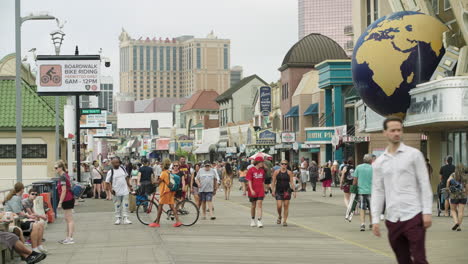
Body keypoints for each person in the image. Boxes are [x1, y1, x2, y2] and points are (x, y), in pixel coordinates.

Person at [371, 116, 433, 264]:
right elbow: (378, 191)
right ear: (385, 132)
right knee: (403, 259)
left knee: (419, 258)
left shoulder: (414, 155)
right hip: (392, 218)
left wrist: (427, 212)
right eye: (392, 130)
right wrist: (375, 219)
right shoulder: (379, 162)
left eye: (399, 130)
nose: (396, 133)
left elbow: (424, 183)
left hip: (414, 214)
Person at [4, 183, 47, 252]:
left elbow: (20, 212)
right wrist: (28, 216)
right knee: (36, 225)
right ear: (22, 190)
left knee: (41, 223)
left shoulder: (16, 197)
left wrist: (29, 216)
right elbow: (17, 212)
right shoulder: (16, 198)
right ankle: (34, 248)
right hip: (15, 222)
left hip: (18, 220)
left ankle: (39, 245)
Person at [150, 158, 182, 227]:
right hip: (170, 191)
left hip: (165, 192)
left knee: (160, 207)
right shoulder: (168, 172)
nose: (160, 165)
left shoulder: (164, 173)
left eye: (162, 164)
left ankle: (157, 222)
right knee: (172, 207)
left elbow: (159, 182)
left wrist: (152, 181)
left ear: (164, 165)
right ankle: (178, 221)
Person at [105, 157, 133, 225]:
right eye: (116, 163)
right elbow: (107, 182)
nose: (118, 164)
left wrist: (129, 185)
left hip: (125, 191)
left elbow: (126, 177)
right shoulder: (110, 172)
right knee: (117, 205)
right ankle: (118, 218)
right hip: (116, 192)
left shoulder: (123, 168)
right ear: (112, 163)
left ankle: (126, 218)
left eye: (118, 162)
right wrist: (111, 190)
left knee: (126, 205)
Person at [55, 160, 76, 245]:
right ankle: (68, 237)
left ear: (60, 168)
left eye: (56, 168)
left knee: (69, 219)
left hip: (66, 199)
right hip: (68, 198)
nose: (55, 169)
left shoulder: (62, 177)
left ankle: (70, 238)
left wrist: (60, 202)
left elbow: (63, 190)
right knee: (68, 219)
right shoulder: (65, 175)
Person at [271, 160, 296, 226]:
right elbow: (273, 182)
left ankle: (284, 221)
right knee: (279, 206)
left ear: (287, 165)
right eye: (282, 164)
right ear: (280, 165)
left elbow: (292, 182)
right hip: (278, 190)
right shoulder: (276, 172)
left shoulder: (289, 172)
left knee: (286, 206)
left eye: (285, 164)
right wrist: (272, 190)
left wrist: (294, 191)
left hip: (287, 191)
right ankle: (279, 216)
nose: (284, 165)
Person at [353, 154, 373, 231]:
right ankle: (371, 223)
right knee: (371, 208)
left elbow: (355, 180)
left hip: (361, 191)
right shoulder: (373, 168)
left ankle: (362, 224)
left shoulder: (358, 167)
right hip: (371, 191)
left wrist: (354, 187)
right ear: (371, 161)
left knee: (362, 208)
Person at [446, 164, 467, 231]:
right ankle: (459, 226)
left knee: (453, 210)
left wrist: (448, 188)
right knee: (461, 211)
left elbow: (448, 181)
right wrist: (466, 193)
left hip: (454, 195)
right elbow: (467, 186)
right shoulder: (465, 176)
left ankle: (456, 223)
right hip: (463, 195)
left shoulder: (453, 174)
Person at [246, 156, 266, 228]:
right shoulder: (251, 170)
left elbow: (262, 181)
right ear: (258, 162)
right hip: (253, 190)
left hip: (260, 190)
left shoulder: (262, 171)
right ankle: (252, 219)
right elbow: (249, 181)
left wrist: (264, 190)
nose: (262, 163)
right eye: (261, 162)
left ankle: (259, 220)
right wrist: (251, 190)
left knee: (259, 204)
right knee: (253, 205)